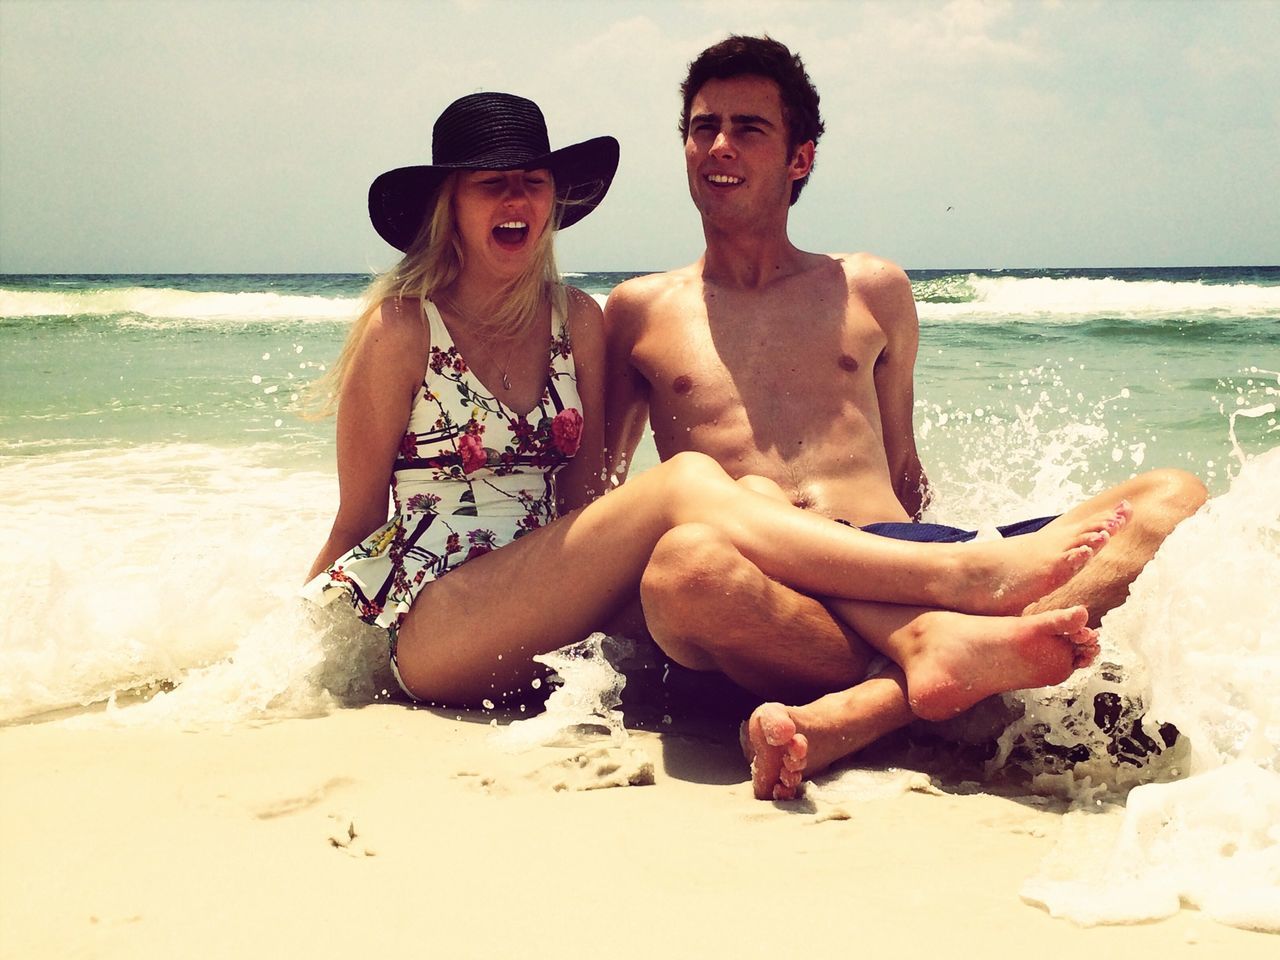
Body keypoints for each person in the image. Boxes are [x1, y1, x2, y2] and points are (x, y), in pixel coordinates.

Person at [303, 91, 1126, 713]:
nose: (516, 202)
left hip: (549, 595)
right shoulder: (404, 328)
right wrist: (292, 668)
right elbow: (355, 523)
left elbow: (582, 500)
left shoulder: (577, 321)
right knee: (692, 477)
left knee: (744, 512)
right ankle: (958, 577)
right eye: (492, 186)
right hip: (442, 623)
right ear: (452, 204)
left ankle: (920, 654)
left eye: (531, 183)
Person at [602, 36, 1209, 799]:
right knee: (683, 570)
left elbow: (903, 471)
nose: (718, 146)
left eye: (748, 128)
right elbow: (603, 500)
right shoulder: (637, 310)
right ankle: (941, 664)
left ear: (801, 159)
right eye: (702, 127)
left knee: (1172, 498)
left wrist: (941, 569)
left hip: (901, 563)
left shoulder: (871, 288)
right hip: (759, 585)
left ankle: (872, 704)